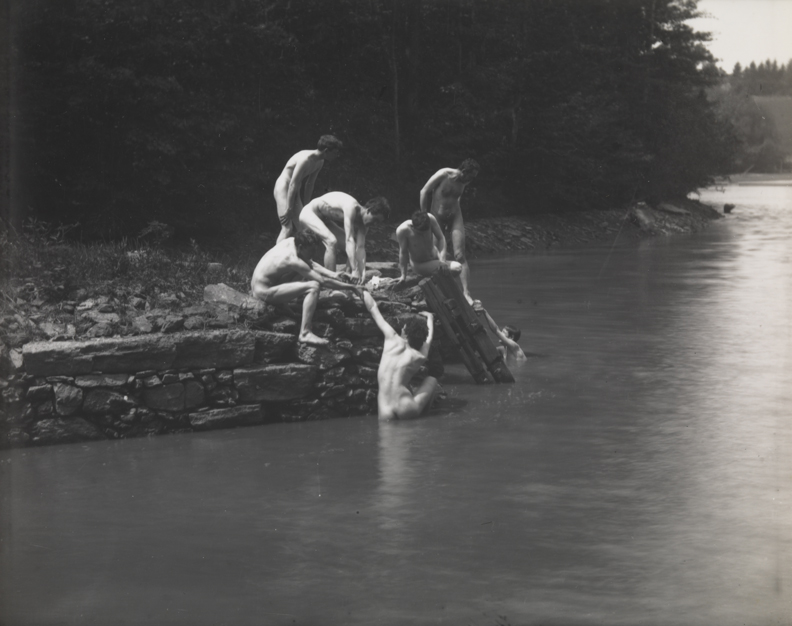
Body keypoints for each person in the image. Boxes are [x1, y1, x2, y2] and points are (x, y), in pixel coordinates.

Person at [250, 229, 361, 346]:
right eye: (311, 251)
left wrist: (334, 274)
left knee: (301, 271)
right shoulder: (292, 260)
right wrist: (352, 287)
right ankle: (305, 332)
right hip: (263, 292)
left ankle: (283, 306)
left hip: (262, 285)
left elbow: (309, 263)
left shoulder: (291, 242)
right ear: (301, 247)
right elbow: (322, 281)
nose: (313, 254)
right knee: (314, 286)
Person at [361, 291, 439, 420]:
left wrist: (362, 291)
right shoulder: (419, 355)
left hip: (385, 409)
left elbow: (373, 308)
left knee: (387, 438)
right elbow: (429, 338)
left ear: (406, 333)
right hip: (406, 406)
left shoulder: (391, 338)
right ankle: (424, 418)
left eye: (404, 328)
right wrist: (430, 318)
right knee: (432, 380)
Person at [419, 158, 479, 303]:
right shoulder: (444, 174)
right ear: (464, 172)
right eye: (471, 177)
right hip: (436, 217)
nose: (471, 181)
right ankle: (437, 289)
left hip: (455, 216)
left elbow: (455, 198)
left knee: (459, 254)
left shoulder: (463, 182)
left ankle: (466, 293)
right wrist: (423, 216)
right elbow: (424, 191)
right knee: (435, 255)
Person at [299, 192, 390, 283]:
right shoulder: (351, 207)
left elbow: (360, 247)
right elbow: (348, 239)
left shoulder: (364, 225)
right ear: (368, 210)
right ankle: (331, 282)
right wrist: (355, 269)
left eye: (378, 223)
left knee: (353, 245)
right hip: (309, 213)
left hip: (325, 221)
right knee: (332, 241)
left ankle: (348, 277)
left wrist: (362, 272)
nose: (375, 224)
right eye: (375, 220)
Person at [273, 135, 343, 243]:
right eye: (334, 152)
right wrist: (289, 208)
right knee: (287, 228)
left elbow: (310, 184)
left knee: (304, 228)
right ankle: (275, 258)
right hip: (283, 187)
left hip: (294, 190)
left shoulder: (320, 162)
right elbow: (292, 184)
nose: (336, 156)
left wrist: (307, 206)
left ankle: (298, 257)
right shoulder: (305, 159)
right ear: (326, 150)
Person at [394, 209, 463, 284]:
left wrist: (442, 260)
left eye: (425, 232)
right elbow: (403, 253)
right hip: (420, 264)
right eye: (420, 233)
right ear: (413, 226)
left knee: (457, 268)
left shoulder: (430, 219)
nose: (423, 234)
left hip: (436, 256)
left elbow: (441, 238)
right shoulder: (403, 230)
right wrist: (403, 276)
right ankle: (438, 285)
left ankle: (441, 286)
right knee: (456, 268)